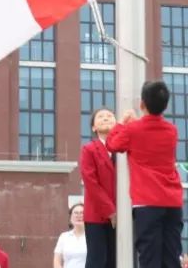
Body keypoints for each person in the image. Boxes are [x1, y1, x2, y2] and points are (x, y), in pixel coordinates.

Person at [106, 80, 184, 268]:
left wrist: (122, 124)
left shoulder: (132, 130)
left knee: (149, 257)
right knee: (171, 256)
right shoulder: (172, 130)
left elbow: (112, 144)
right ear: (165, 105)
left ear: (142, 104)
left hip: (147, 202)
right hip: (173, 200)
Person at [79, 108, 117, 268]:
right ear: (94, 127)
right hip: (96, 215)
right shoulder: (89, 149)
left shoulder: (123, 150)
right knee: (97, 260)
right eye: (100, 117)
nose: (105, 118)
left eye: (109, 116)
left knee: (116, 260)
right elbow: (91, 183)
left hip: (121, 216)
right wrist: (110, 211)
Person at [52, 204, 87, 268]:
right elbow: (57, 261)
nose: (79, 215)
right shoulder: (64, 237)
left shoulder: (92, 237)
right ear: (70, 218)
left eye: (82, 213)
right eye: (76, 213)